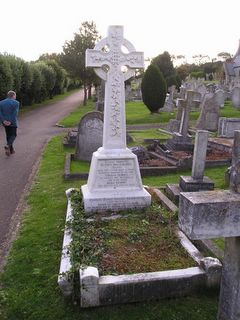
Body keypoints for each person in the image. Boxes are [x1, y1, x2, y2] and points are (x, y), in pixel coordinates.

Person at [0, 90, 20, 156]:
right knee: (14, 135)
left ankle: (10, 150)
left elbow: (0, 113)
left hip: (4, 122)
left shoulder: (1, 103)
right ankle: (8, 145)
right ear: (13, 95)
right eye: (15, 96)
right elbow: (15, 114)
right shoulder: (16, 103)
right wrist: (10, 121)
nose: (15, 97)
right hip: (12, 122)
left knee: (8, 135)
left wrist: (3, 121)